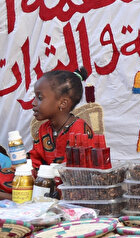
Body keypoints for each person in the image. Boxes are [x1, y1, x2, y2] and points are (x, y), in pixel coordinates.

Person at [0, 67, 94, 197]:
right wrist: (22, 169)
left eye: (39, 97)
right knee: (8, 176)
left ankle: (17, 196)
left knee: (60, 189)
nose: (33, 103)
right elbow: (35, 159)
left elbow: (76, 172)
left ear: (63, 103)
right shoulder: (44, 128)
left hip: (69, 185)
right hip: (43, 181)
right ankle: (24, 194)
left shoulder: (78, 129)